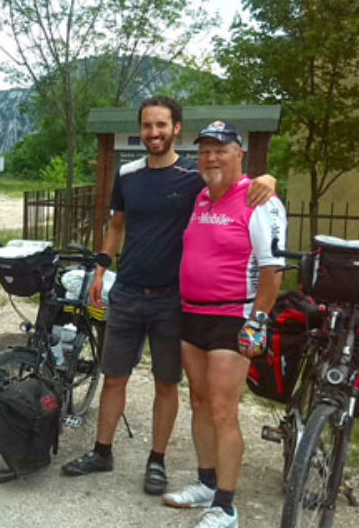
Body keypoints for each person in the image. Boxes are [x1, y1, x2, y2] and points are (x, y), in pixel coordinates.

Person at [61, 97, 276, 498]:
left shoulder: (194, 178)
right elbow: (118, 224)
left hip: (173, 299)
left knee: (166, 383)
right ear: (140, 129)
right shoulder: (127, 175)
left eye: (161, 125)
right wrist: (102, 268)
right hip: (126, 291)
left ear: (177, 128)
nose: (153, 133)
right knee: (114, 377)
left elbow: (234, 181)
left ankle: (156, 460)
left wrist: (269, 180)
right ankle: (101, 451)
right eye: (147, 126)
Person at [161, 120, 286, 528]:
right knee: (199, 400)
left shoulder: (259, 200)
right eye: (206, 150)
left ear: (240, 155)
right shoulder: (200, 195)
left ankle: (226, 507)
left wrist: (258, 321)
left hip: (233, 316)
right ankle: (206, 482)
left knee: (222, 409)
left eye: (221, 150)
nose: (211, 158)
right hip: (192, 313)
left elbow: (272, 272)